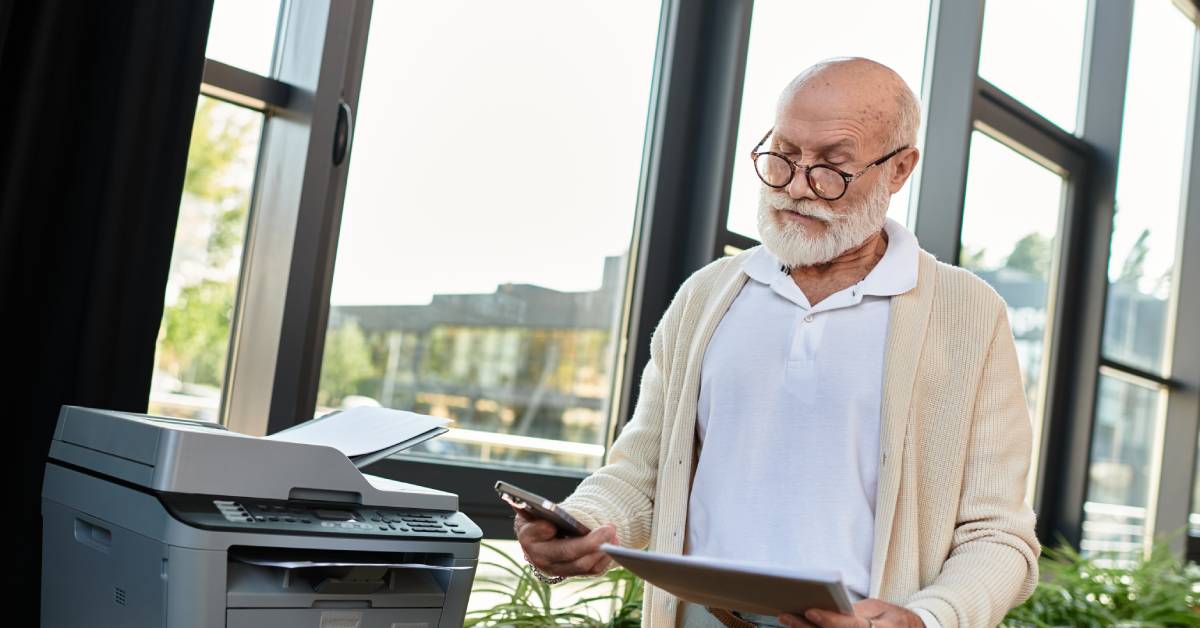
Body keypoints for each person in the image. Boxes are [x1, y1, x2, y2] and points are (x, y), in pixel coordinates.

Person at [513, 57, 1040, 628]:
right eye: (783, 156)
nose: (795, 187)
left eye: (831, 167)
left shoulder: (968, 313)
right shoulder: (707, 295)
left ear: (899, 169)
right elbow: (643, 474)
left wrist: (928, 620)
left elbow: (998, 533)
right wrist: (581, 523)